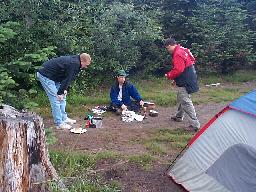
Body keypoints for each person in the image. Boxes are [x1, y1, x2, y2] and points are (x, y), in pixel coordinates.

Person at [37, 53, 91, 129]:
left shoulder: (76, 62)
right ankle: (59, 124)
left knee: (63, 97)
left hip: (55, 77)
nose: (86, 67)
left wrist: (65, 89)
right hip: (45, 75)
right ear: (82, 61)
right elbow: (67, 78)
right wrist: (60, 92)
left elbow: (68, 77)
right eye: (86, 65)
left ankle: (64, 118)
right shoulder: (74, 63)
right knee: (56, 99)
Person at [163, 37, 200, 131]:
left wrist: (169, 75)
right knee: (181, 97)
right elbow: (192, 60)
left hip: (186, 79)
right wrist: (176, 79)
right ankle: (179, 116)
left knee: (185, 101)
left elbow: (179, 69)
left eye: (167, 48)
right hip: (189, 76)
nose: (168, 51)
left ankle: (195, 125)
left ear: (170, 45)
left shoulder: (177, 53)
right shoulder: (183, 49)